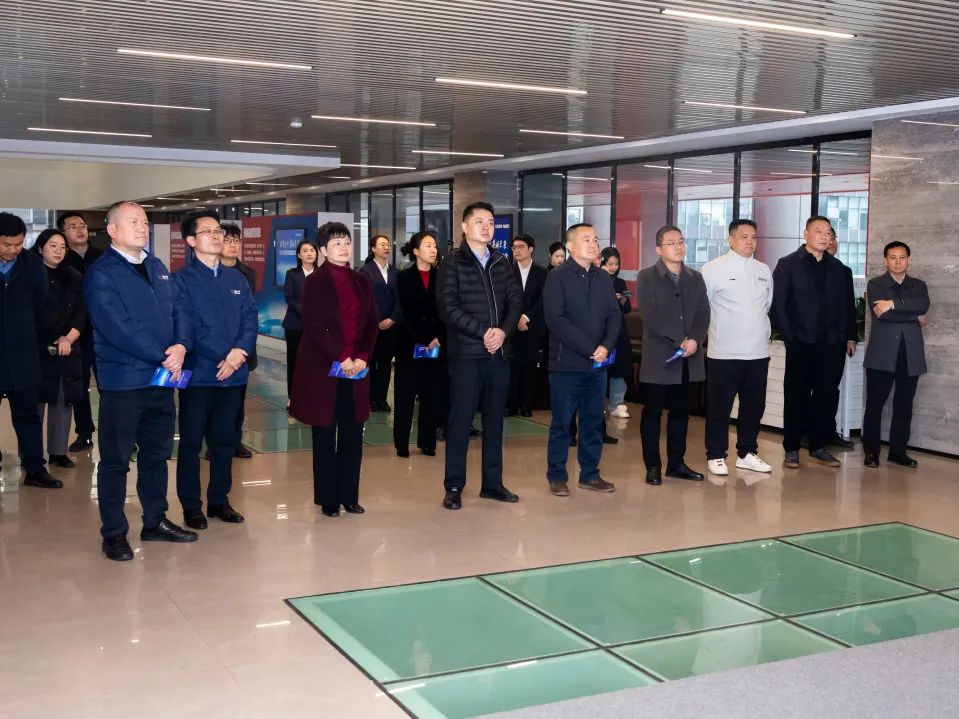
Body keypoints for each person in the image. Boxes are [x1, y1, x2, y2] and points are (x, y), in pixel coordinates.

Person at [84, 201, 197, 561]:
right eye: (132, 222)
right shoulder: (102, 274)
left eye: (145, 222)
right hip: (123, 382)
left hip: (161, 381)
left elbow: (181, 309)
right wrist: (164, 355)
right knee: (116, 460)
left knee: (157, 455)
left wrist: (181, 345)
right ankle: (114, 532)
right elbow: (117, 327)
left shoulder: (157, 266)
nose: (142, 227)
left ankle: (155, 521)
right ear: (112, 230)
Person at [174, 210, 257, 530]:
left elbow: (250, 319)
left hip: (233, 376)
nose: (216, 235)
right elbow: (188, 326)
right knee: (192, 443)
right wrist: (225, 354)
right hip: (199, 375)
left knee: (224, 442)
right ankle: (191, 506)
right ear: (191, 240)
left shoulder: (236, 279)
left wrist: (239, 353)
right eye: (207, 231)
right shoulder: (181, 280)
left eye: (218, 230)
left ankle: (219, 501)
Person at [436, 201, 522, 510]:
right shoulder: (452, 262)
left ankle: (493, 484)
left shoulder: (502, 261)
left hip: (499, 354)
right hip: (467, 355)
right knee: (460, 421)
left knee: (495, 421)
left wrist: (503, 332)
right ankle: (454, 485)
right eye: (479, 221)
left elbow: (515, 302)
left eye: (490, 222)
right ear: (464, 227)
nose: (487, 227)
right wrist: (484, 332)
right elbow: (448, 307)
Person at [289, 222, 378, 518]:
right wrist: (342, 357)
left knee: (353, 432)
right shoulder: (315, 282)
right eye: (336, 243)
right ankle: (328, 498)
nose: (343, 247)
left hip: (356, 369)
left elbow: (371, 323)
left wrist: (362, 356)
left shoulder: (362, 281)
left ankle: (349, 496)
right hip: (325, 368)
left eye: (347, 242)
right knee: (325, 433)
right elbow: (314, 325)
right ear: (324, 251)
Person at [543, 224, 621, 496]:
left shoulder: (602, 278)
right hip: (566, 365)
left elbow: (614, 315)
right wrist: (591, 348)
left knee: (593, 422)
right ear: (571, 246)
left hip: (597, 366)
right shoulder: (557, 277)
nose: (593, 244)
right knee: (562, 424)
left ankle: (590, 474)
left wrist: (606, 346)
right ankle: (557, 476)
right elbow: (556, 320)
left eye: (595, 240)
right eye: (586, 239)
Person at [771, 216, 854, 470]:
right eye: (818, 231)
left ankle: (818, 447)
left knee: (825, 397)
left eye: (828, 232)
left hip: (831, 345)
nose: (824, 236)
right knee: (795, 396)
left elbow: (848, 307)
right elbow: (778, 305)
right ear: (805, 233)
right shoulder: (788, 264)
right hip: (800, 343)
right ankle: (792, 449)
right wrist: (790, 338)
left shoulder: (840, 269)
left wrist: (847, 336)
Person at [636, 225, 710, 486]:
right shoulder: (646, 277)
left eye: (681, 241)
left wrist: (694, 340)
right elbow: (650, 315)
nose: (678, 247)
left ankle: (676, 464)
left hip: (688, 357)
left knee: (680, 413)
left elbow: (703, 312)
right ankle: (653, 466)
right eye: (671, 243)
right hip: (659, 358)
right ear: (659, 249)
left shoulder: (695, 277)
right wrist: (679, 340)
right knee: (653, 413)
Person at [700, 219, 774, 477]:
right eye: (744, 237)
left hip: (758, 353)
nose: (749, 242)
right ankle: (716, 454)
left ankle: (747, 452)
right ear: (730, 239)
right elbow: (703, 308)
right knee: (719, 407)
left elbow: (766, 306)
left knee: (754, 406)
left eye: (753, 237)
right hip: (724, 353)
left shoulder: (763, 269)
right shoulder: (713, 269)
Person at [0, 213, 59, 489]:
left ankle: (35, 470)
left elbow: (42, 304)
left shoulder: (32, 264)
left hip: (23, 354)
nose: (13, 250)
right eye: (6, 244)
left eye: (18, 244)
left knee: (28, 416)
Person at [862, 241, 930, 469]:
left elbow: (923, 304)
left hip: (910, 354)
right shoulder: (876, 284)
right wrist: (913, 316)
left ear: (908, 260)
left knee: (904, 406)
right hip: (882, 355)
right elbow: (882, 315)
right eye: (893, 257)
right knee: (874, 405)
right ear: (886, 261)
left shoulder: (919, 285)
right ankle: (871, 452)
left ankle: (898, 452)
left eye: (902, 257)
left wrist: (892, 303)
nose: (898, 261)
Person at [34, 229, 87, 469]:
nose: (58, 251)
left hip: (66, 346)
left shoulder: (73, 276)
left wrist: (69, 337)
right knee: (35, 403)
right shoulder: (30, 274)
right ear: (40, 248)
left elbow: (82, 312)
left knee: (62, 400)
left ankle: (58, 452)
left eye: (62, 247)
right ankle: (31, 455)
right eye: (52, 246)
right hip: (36, 346)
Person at [393, 232, 446, 458]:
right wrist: (424, 338)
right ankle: (401, 443)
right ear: (416, 251)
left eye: (434, 246)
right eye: (428, 246)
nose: (433, 250)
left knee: (431, 396)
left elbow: (447, 310)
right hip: (409, 344)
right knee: (405, 396)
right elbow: (406, 312)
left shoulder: (442, 278)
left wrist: (438, 337)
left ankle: (427, 442)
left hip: (436, 345)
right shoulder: (403, 278)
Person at [59, 211, 103, 453]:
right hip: (75, 333)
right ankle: (84, 432)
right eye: (73, 226)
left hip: (103, 331)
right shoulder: (61, 261)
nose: (80, 229)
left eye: (83, 225)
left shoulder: (103, 257)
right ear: (63, 232)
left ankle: (114, 431)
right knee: (79, 385)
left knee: (108, 384)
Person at [217, 222, 257, 459]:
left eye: (236, 241)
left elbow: (249, 313)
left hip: (242, 347)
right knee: (216, 400)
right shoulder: (210, 271)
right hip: (216, 347)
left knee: (238, 399)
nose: (233, 245)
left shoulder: (248, 273)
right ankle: (215, 442)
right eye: (227, 240)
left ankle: (235, 440)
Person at [819, 227, 858, 449]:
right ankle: (809, 432)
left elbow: (849, 306)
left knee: (832, 389)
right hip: (812, 340)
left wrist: (851, 337)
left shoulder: (844, 271)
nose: (830, 241)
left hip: (837, 341)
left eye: (833, 237)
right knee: (813, 390)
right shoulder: (805, 268)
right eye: (826, 237)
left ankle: (828, 431)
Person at [507, 233, 547, 418]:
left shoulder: (542, 272)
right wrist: (516, 318)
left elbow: (543, 299)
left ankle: (526, 405)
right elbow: (505, 299)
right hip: (512, 326)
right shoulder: (507, 271)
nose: (517, 250)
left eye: (521, 247)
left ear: (530, 249)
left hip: (533, 325)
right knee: (512, 366)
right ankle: (511, 405)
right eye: (514, 247)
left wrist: (526, 317)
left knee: (530, 366)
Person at [359, 234, 399, 412]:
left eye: (388, 244)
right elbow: (364, 299)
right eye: (382, 244)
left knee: (385, 363)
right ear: (373, 249)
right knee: (371, 361)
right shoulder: (365, 272)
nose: (386, 247)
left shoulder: (395, 272)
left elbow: (400, 299)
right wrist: (377, 321)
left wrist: (392, 318)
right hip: (372, 325)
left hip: (391, 324)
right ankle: (369, 399)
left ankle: (382, 399)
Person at [282, 239, 317, 403]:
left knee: (314, 361)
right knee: (295, 361)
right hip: (295, 324)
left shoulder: (322, 274)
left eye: (312, 250)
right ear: (299, 255)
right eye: (305, 251)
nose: (309, 253)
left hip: (318, 326)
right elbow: (290, 298)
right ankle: (293, 397)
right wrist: (307, 313)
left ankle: (312, 395)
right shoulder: (292, 274)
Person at [599, 247, 633, 419]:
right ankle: (598, 404)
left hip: (619, 331)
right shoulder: (596, 279)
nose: (613, 267)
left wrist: (623, 299)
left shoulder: (619, 282)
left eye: (616, 264)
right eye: (610, 264)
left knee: (620, 367)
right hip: (601, 331)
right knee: (601, 369)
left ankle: (617, 404)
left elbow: (626, 309)